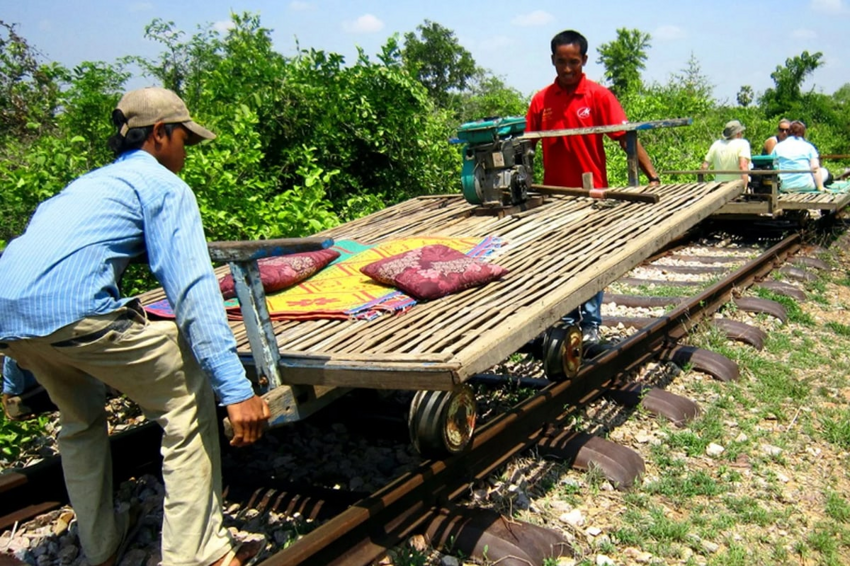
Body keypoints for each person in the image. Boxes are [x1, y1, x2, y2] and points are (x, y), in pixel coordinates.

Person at [0, 87, 270, 566]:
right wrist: (234, 389)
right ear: (161, 134)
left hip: (15, 329)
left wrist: (14, 381)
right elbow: (191, 289)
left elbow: (22, 283)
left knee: (80, 419)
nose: (186, 152)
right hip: (78, 319)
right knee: (186, 398)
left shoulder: (82, 188)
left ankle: (100, 546)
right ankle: (198, 554)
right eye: (185, 139)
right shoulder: (163, 187)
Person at [525, 29, 661, 344]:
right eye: (561, 62)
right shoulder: (541, 100)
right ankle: (567, 319)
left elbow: (625, 137)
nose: (568, 69)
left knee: (590, 258)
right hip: (554, 197)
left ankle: (591, 323)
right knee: (559, 260)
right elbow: (527, 148)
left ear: (584, 59)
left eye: (574, 61)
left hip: (592, 196)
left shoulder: (598, 96)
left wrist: (651, 176)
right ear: (553, 61)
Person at [770, 120, 829, 192]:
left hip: (784, 186)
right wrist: (820, 187)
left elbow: (771, 163)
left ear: (788, 132)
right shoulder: (809, 147)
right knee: (824, 171)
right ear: (803, 133)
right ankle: (820, 186)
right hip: (806, 186)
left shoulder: (778, 146)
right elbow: (815, 167)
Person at [700, 120, 752, 186]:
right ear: (738, 134)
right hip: (735, 188)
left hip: (719, 187)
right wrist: (744, 188)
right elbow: (743, 166)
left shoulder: (716, 144)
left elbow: (704, 167)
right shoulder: (743, 143)